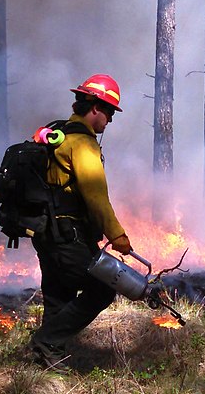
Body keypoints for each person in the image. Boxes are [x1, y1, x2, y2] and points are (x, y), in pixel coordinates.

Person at [28, 74, 133, 369]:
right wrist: (118, 236)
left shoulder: (56, 133)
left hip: (45, 231)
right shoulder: (82, 144)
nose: (110, 120)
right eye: (110, 112)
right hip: (68, 233)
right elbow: (96, 198)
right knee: (102, 290)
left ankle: (47, 359)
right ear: (96, 108)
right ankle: (46, 341)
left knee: (58, 292)